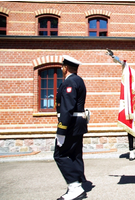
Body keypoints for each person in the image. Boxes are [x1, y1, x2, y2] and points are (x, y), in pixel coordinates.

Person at [54, 55, 88, 200]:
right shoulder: (78, 80)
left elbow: (67, 108)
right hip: (78, 122)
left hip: (70, 123)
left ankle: (75, 187)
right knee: (75, 153)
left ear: (65, 68)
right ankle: (78, 181)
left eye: (62, 67)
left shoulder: (70, 82)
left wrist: (61, 130)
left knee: (60, 155)